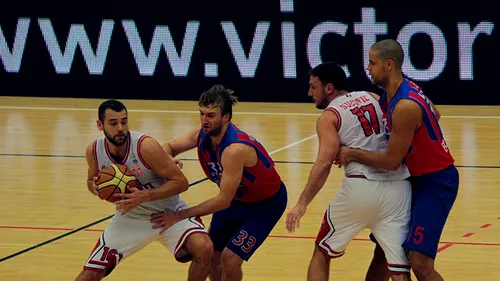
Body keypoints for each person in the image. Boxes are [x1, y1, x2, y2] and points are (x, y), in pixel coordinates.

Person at [336, 39, 459, 281]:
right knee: (384, 248)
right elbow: (436, 113)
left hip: (435, 182)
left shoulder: (404, 106)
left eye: (373, 63)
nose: (368, 68)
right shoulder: (400, 91)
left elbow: (391, 161)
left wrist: (352, 153)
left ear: (389, 65)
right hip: (412, 179)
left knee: (421, 263)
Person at [285, 61, 412, 281]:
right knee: (396, 266)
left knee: (322, 252)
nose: (309, 93)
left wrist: (302, 203)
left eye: (313, 87)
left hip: (360, 187)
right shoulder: (372, 97)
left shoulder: (329, 116)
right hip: (399, 187)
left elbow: (324, 163)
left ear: (329, 88)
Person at [151, 84, 288, 281]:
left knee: (230, 259)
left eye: (211, 115)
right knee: (213, 257)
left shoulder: (234, 149)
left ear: (226, 117)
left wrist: (179, 215)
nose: (204, 121)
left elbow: (223, 200)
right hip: (236, 201)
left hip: (264, 206)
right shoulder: (202, 133)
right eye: (202, 114)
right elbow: (169, 146)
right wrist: (168, 159)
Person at [75, 99, 213, 281]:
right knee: (89, 276)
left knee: (205, 249)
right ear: (100, 125)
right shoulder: (93, 150)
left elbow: (181, 183)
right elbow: (89, 181)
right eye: (113, 123)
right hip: (130, 218)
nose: (120, 128)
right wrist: (94, 188)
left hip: (169, 213)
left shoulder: (144, 146)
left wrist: (146, 195)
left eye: (124, 121)